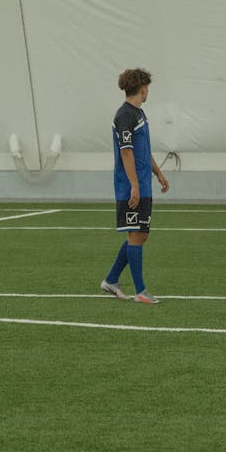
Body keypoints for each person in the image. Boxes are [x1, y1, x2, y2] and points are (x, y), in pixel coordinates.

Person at [100, 68, 170, 304]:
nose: (148, 91)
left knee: (140, 235)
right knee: (136, 234)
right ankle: (140, 290)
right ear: (142, 88)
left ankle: (111, 280)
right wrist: (134, 186)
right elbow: (127, 152)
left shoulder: (139, 113)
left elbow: (142, 151)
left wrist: (158, 173)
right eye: (147, 87)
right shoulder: (125, 116)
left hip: (142, 183)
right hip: (130, 186)